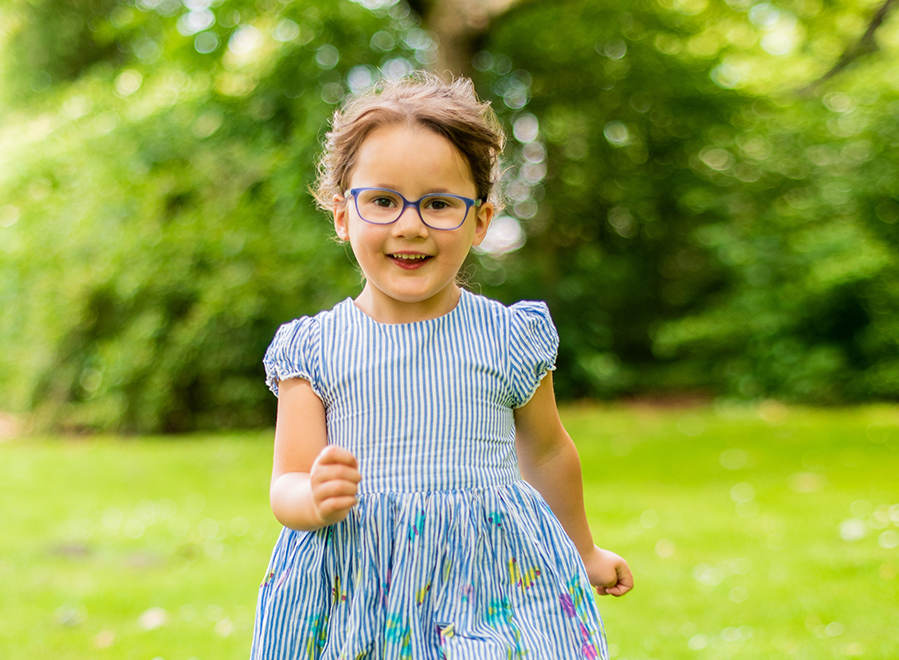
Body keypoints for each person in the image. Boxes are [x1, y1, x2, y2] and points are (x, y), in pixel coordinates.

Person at [252, 72, 633, 660]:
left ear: (480, 220)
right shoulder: (315, 350)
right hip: (360, 586)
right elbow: (287, 481)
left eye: (438, 204)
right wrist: (314, 499)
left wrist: (582, 552)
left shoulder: (508, 338)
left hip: (494, 581)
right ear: (341, 215)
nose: (410, 225)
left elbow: (548, 450)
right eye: (382, 201)